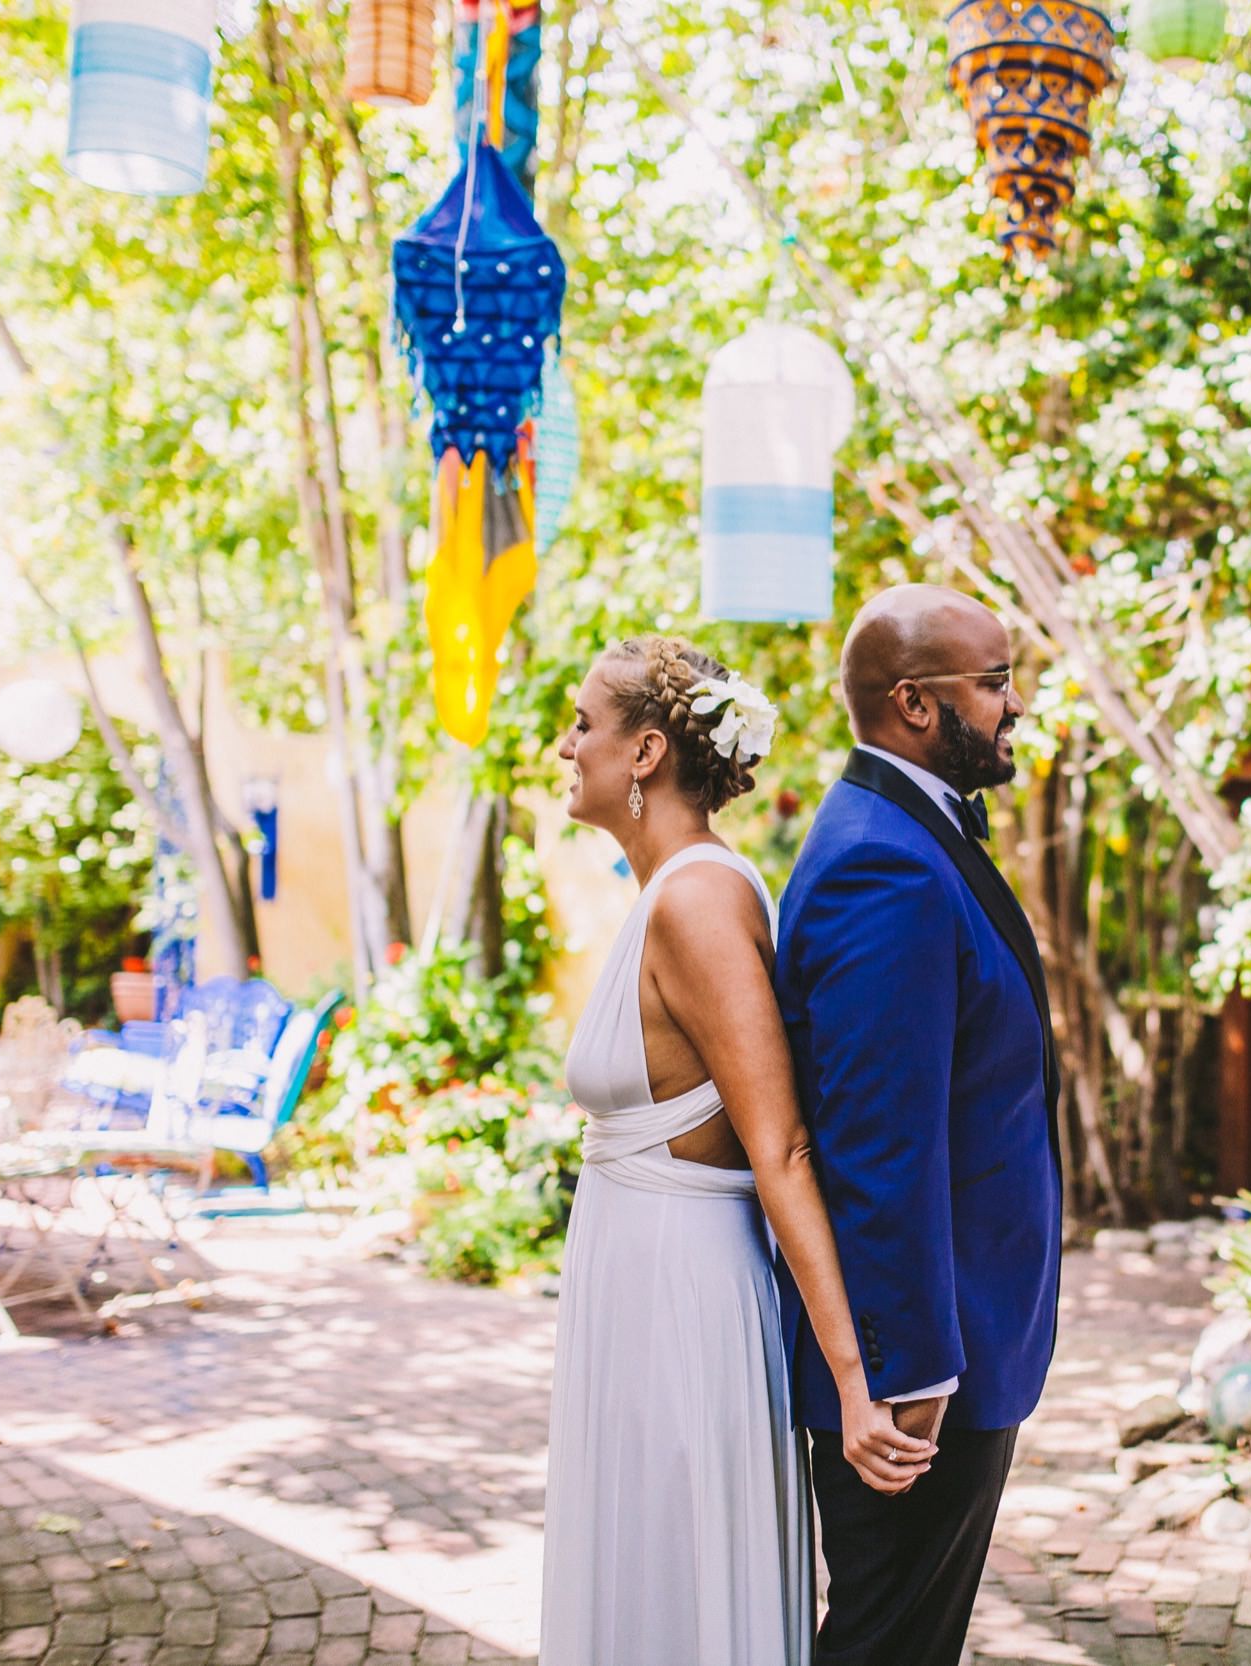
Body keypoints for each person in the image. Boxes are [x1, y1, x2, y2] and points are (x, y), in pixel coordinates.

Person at [540, 635, 935, 1666]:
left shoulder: (701, 899)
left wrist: (852, 1378)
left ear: (646, 752)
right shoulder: (665, 892)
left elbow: (784, 1147)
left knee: (683, 1577)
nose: (563, 744)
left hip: (684, 1295)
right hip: (632, 1281)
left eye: (584, 722)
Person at [776, 585, 1063, 1666]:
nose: (1013, 704)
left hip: (963, 1341)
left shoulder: (907, 831)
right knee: (887, 1645)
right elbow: (876, 1147)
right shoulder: (879, 863)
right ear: (911, 703)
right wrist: (910, 1375)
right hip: (919, 1379)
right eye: (992, 683)